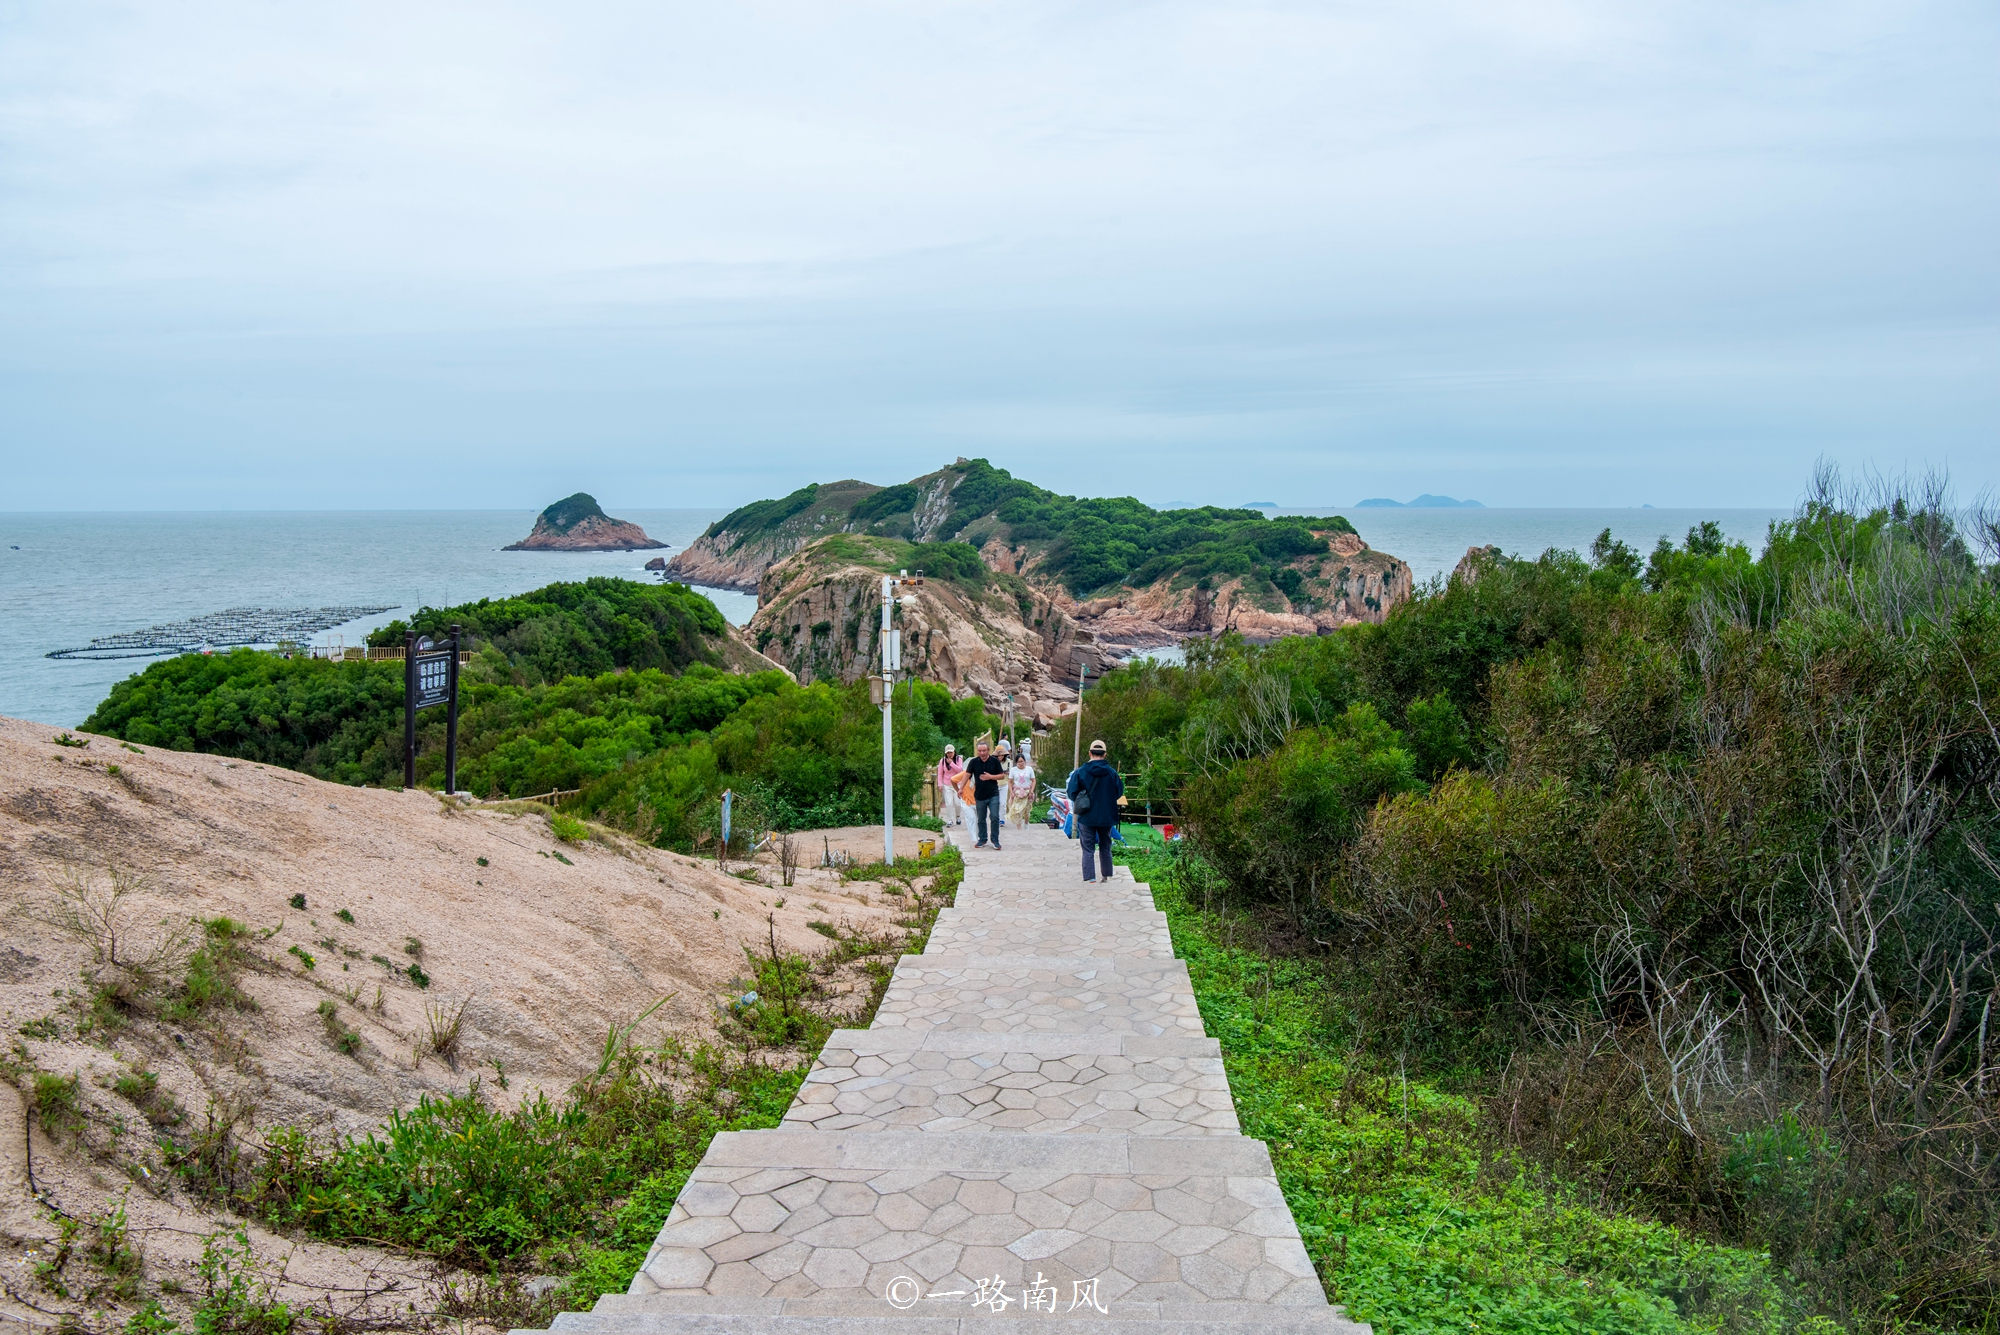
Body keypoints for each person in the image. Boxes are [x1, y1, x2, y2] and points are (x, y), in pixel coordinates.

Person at [1066, 739, 1125, 883]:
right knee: (1105, 846)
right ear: (1105, 754)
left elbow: (1071, 792)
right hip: (1106, 815)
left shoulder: (1080, 772)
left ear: (1090, 753)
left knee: (1087, 848)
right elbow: (1119, 791)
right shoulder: (1112, 773)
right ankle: (1106, 876)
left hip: (1086, 815)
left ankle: (1090, 877)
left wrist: (1083, 797)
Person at [966, 739, 1007, 850]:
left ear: (988, 750)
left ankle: (995, 840)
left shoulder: (994, 761)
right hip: (979, 795)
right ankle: (982, 839)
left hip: (993, 794)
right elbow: (967, 775)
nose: (982, 753)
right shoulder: (973, 762)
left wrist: (990, 777)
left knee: (994, 816)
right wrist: (960, 789)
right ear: (977, 751)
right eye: (980, 751)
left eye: (984, 750)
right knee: (981, 819)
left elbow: (1002, 776)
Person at [936, 746, 966, 827]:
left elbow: (960, 770)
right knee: (949, 803)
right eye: (948, 753)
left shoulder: (958, 759)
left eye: (951, 752)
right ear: (946, 753)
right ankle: (950, 819)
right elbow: (940, 774)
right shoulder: (942, 761)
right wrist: (940, 784)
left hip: (957, 784)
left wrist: (951, 763)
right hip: (947, 784)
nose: (949, 754)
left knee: (957, 803)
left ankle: (958, 816)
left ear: (954, 752)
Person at [1007, 749, 1036, 829]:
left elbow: (1033, 780)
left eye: (1022, 761)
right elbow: (1010, 781)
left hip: (1027, 791)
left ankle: (1026, 823)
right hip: (1017, 792)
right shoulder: (1013, 770)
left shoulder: (1029, 769)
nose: (1020, 763)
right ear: (1016, 762)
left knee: (1027, 811)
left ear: (1024, 761)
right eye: (1019, 762)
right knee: (1017, 811)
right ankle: (1019, 828)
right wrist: (1011, 793)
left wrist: (1032, 791)